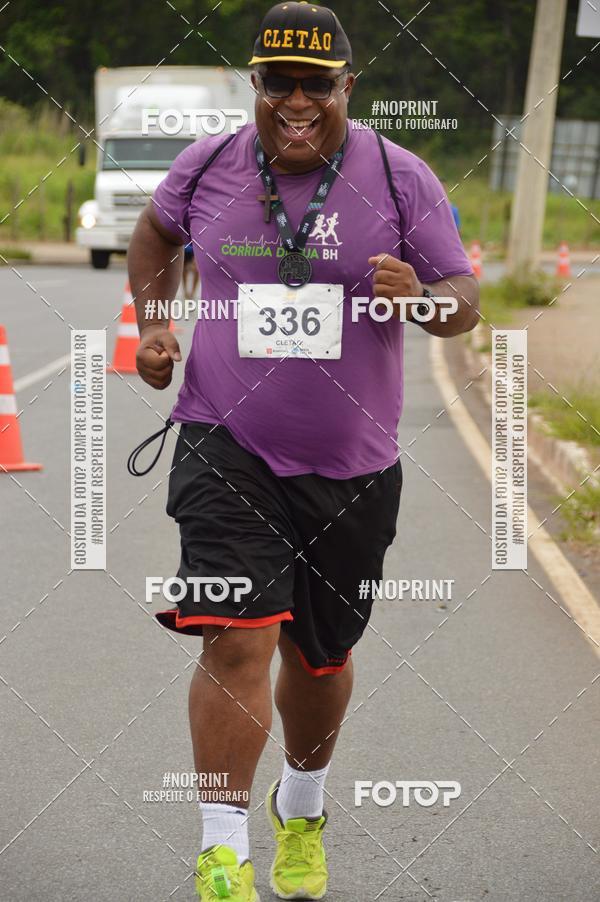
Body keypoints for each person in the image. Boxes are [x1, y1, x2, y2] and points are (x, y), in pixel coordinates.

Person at [127, 3, 479, 899]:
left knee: (320, 662)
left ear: (345, 88)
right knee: (236, 639)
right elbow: (156, 236)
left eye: (314, 84)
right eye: (276, 81)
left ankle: (304, 804)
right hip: (224, 443)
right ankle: (221, 852)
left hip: (353, 470)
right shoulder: (206, 165)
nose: (294, 99)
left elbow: (463, 302)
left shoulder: (401, 181)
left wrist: (420, 296)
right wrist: (157, 322)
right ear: (255, 83)